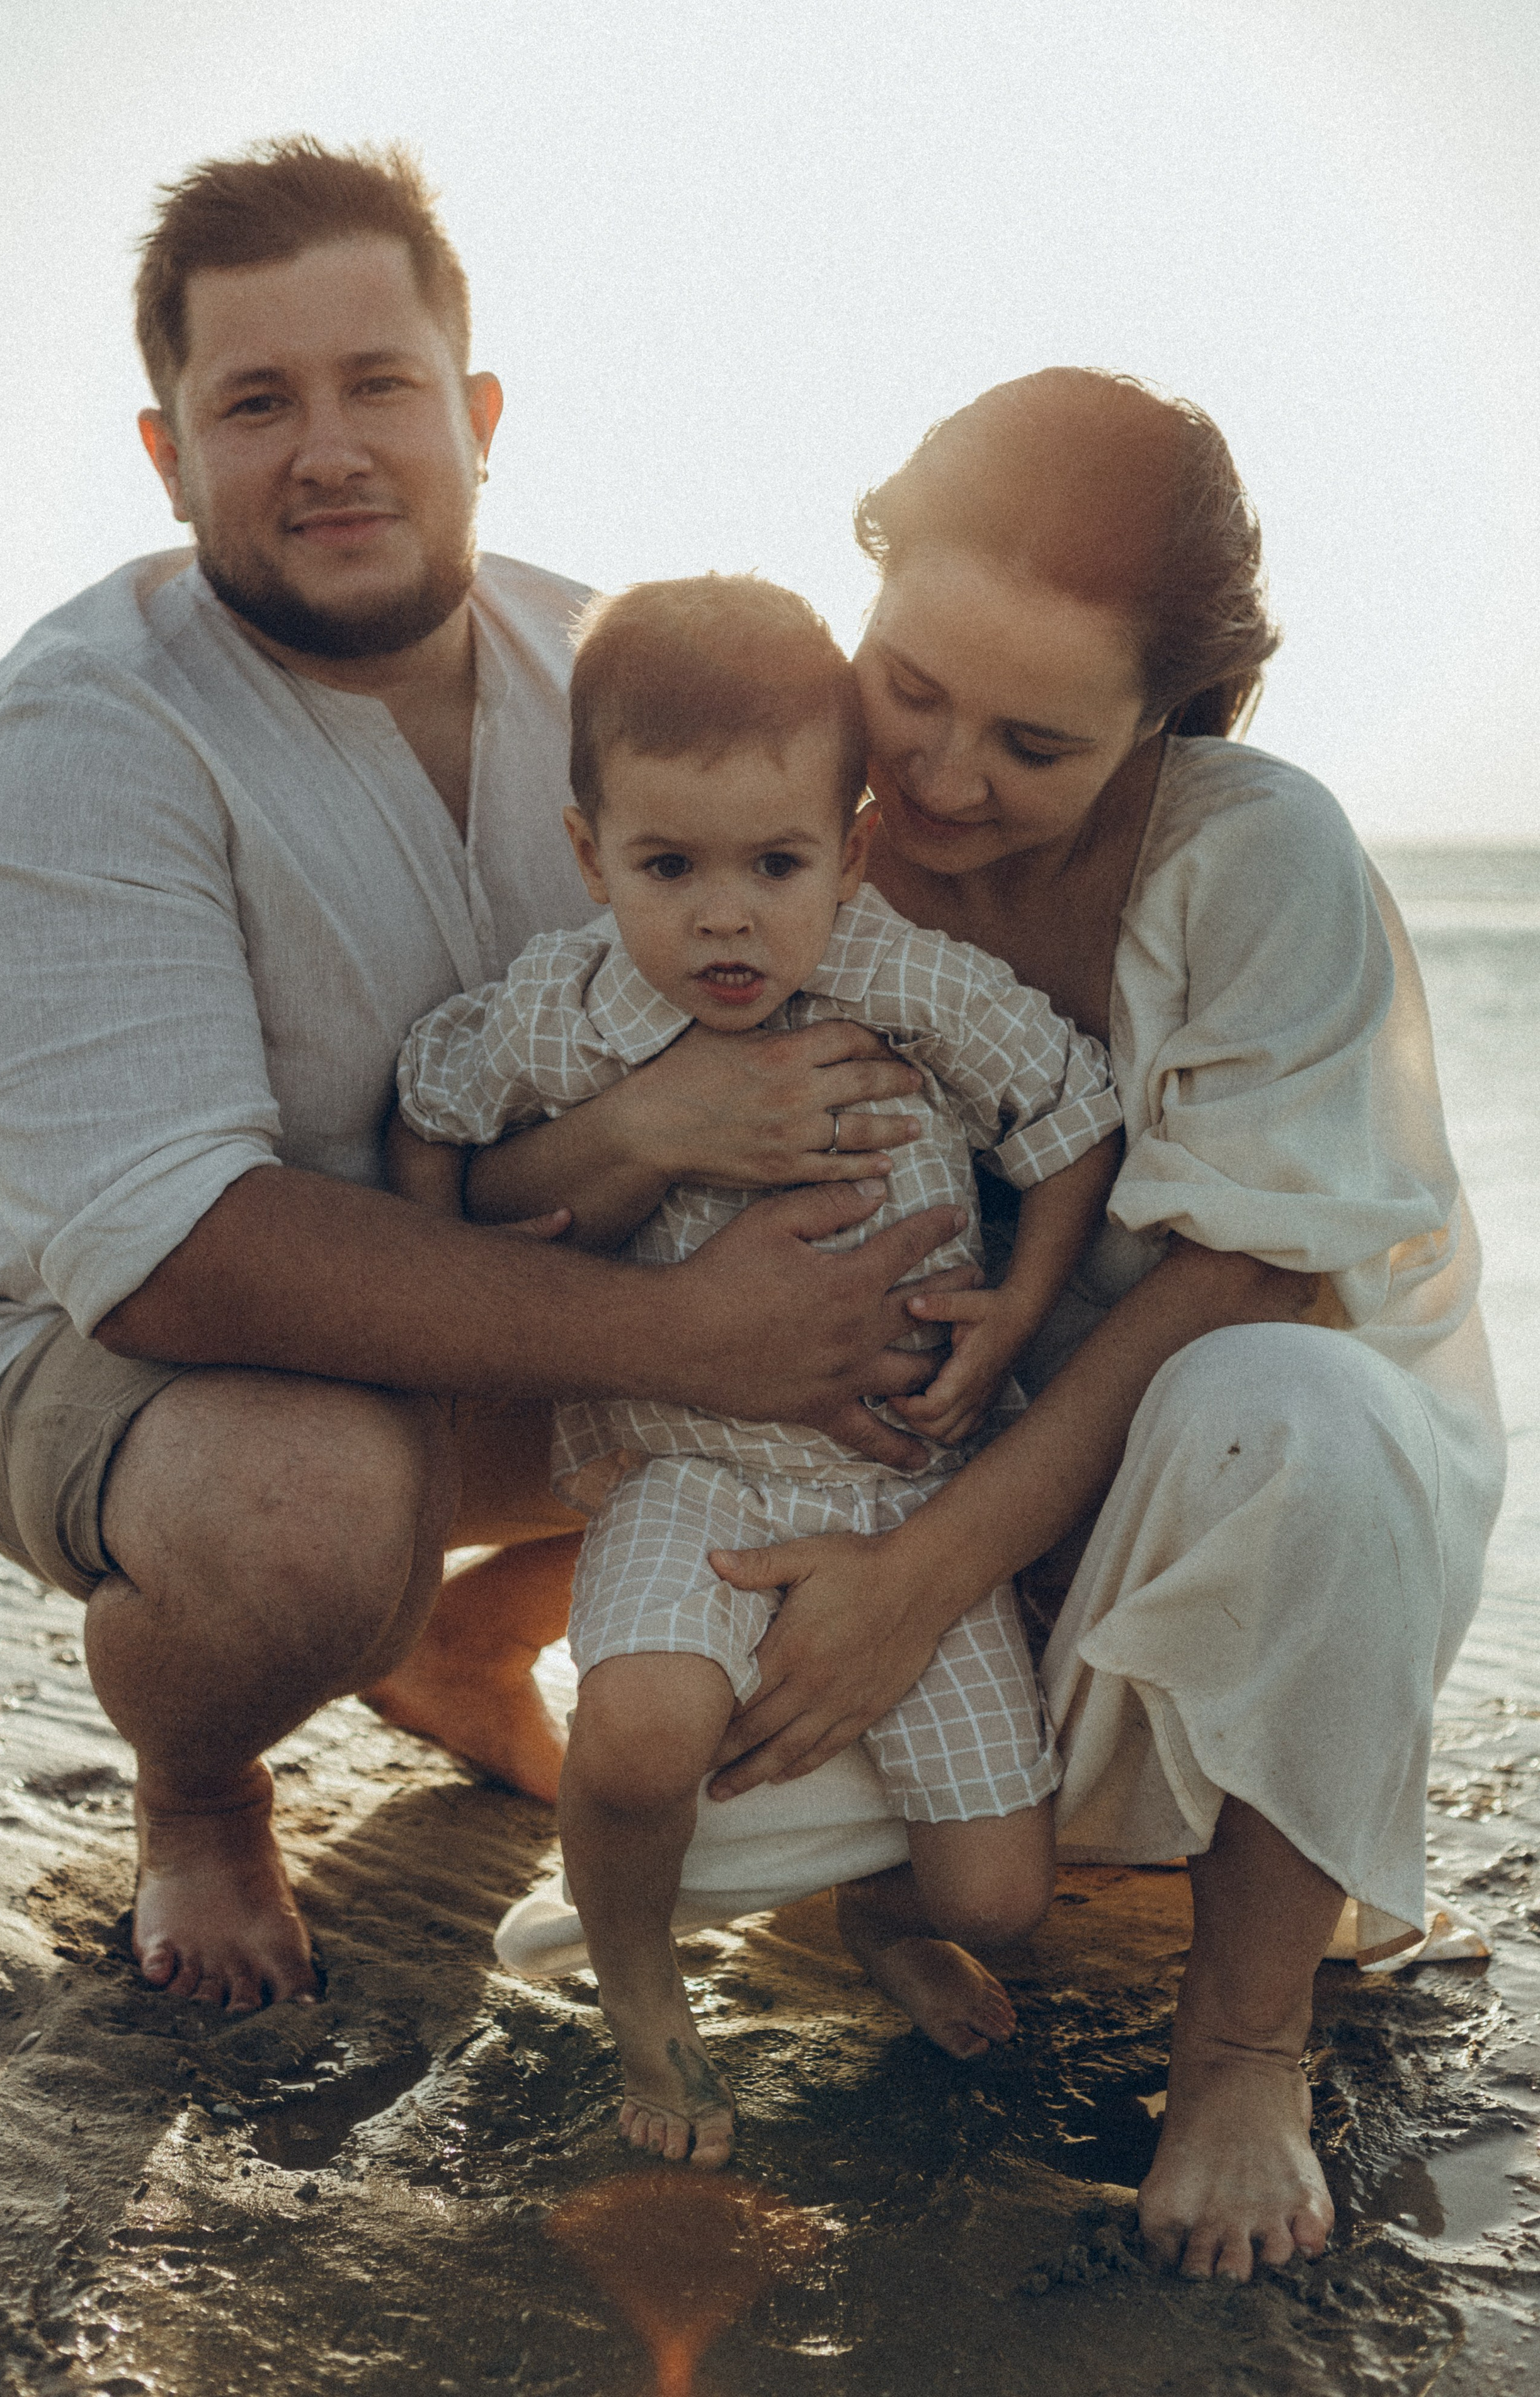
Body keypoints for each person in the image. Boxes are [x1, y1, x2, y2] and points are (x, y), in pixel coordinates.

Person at [0, 138, 969, 2019]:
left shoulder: (617, 669)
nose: (329, 447)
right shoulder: (71, 735)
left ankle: (470, 1644)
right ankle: (202, 1785)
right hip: (133, 1358)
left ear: (477, 414)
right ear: (169, 455)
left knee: (920, 1294)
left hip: (507, 1312)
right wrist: (705, 1345)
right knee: (308, 1518)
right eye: (257, 401)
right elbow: (176, 1253)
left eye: (378, 385)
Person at [486, 372, 1507, 2278]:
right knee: (630, 1831)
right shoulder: (783, 834)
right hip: (888, 1524)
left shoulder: (1250, 856)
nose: (944, 777)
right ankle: (845, 1848)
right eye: (917, 687)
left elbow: (1242, 1271)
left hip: (1203, 1530)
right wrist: (639, 1131)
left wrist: (926, 1584)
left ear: (1164, 720)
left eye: (1034, 741)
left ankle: (1244, 2047)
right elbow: (496, 1158)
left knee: (1290, 1403)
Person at [389, 573, 1124, 2164]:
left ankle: (874, 1918)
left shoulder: (897, 977)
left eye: (775, 864)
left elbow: (1071, 1117)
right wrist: (485, 1279)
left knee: (998, 1894)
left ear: (849, 850)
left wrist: (1018, 1307)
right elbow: (433, 1106)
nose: (724, 916)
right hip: (685, 1472)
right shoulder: (570, 1009)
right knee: (640, 1733)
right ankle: (646, 1991)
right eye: (667, 866)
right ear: (589, 855)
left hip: (903, 1485)